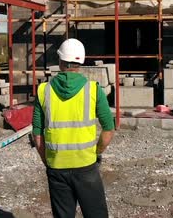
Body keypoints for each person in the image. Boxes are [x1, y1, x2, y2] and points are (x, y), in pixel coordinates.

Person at [33, 38, 114, 218]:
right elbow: (109, 129)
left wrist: (47, 159)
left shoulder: (43, 90)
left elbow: (37, 133)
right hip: (86, 165)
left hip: (57, 166)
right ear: (81, 62)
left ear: (60, 61)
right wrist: (96, 152)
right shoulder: (93, 90)